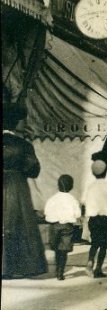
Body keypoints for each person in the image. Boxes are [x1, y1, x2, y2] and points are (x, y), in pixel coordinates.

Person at [2, 96, 48, 279]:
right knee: (19, 224)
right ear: (15, 123)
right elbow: (33, 170)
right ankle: (17, 267)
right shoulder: (24, 145)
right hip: (16, 186)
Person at [81, 160, 107, 278]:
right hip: (106, 220)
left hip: (93, 219)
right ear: (105, 173)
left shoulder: (90, 187)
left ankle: (90, 262)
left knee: (95, 243)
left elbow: (84, 201)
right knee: (104, 245)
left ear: (94, 174)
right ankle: (98, 268)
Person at [44, 175, 81, 280]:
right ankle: (60, 272)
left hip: (54, 225)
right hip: (67, 226)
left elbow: (47, 212)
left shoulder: (53, 199)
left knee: (56, 249)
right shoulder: (72, 199)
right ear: (71, 186)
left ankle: (57, 270)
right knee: (63, 250)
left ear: (58, 185)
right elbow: (78, 214)